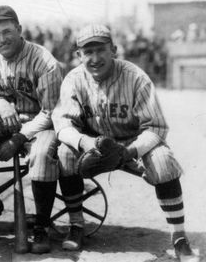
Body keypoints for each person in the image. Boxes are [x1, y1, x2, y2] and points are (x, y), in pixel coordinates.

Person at [51, 24, 199, 261]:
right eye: (88, 52)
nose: (95, 58)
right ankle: (77, 225)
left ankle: (179, 238)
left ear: (114, 50)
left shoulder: (135, 77)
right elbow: (62, 123)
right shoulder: (74, 79)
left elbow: (156, 127)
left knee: (163, 160)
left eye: (101, 50)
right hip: (95, 143)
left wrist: (130, 151)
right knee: (64, 154)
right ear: (79, 56)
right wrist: (83, 142)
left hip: (133, 141)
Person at [0, 5, 83, 254]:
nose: (1, 39)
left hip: (39, 124)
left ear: (19, 30)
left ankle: (41, 226)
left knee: (40, 156)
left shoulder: (43, 60)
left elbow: (51, 113)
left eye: (7, 32)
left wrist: (19, 138)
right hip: (4, 119)